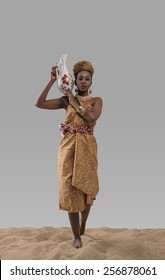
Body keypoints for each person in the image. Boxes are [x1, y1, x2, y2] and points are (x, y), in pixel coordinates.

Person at [35, 60, 103, 248]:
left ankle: (83, 223)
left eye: (87, 79)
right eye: (79, 78)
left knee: (86, 187)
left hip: (88, 148)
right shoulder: (65, 100)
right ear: (74, 80)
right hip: (68, 147)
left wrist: (72, 99)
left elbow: (90, 118)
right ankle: (76, 236)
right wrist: (51, 81)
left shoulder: (96, 101)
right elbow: (39, 103)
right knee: (69, 189)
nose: (83, 81)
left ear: (91, 82)